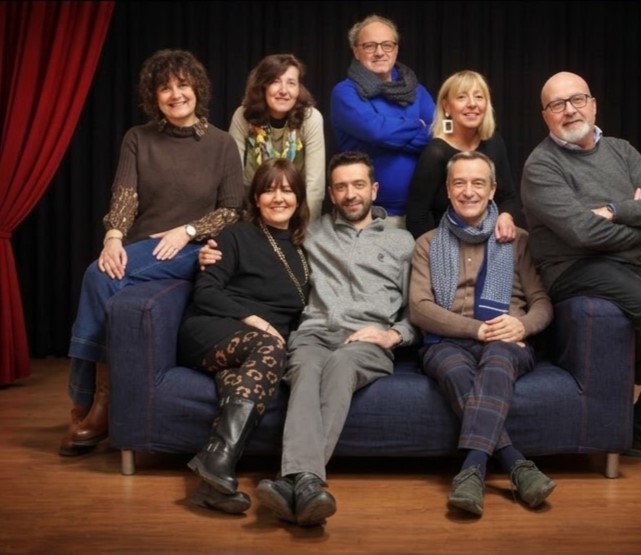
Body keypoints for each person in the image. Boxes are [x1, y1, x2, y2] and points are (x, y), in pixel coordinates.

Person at [59, 49, 245, 457]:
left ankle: (91, 401)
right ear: (154, 97)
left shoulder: (222, 144)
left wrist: (188, 230)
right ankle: (97, 401)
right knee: (102, 275)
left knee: (97, 276)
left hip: (193, 248)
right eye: (165, 88)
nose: (176, 94)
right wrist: (113, 237)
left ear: (197, 89)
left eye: (183, 85)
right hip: (144, 246)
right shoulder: (138, 138)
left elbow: (233, 209)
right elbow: (125, 196)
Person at [520, 71, 641, 463]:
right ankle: (639, 370)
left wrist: (613, 210)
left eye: (577, 99)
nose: (569, 110)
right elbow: (581, 233)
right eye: (557, 104)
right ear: (546, 116)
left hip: (627, 265)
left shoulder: (622, 151)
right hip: (571, 269)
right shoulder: (541, 165)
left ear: (593, 104)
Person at [252, 151, 418, 526]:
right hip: (313, 333)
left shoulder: (402, 242)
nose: (350, 194)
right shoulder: (310, 232)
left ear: (374, 189)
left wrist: (394, 334)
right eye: (341, 187)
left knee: (341, 362)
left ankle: (292, 480)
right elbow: (260, 235)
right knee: (306, 369)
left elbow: (418, 309)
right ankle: (308, 487)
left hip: (367, 341)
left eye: (358, 185)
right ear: (331, 193)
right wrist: (212, 250)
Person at [409, 151, 555, 516]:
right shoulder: (427, 243)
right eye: (459, 183)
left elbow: (542, 302)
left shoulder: (516, 239)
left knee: (498, 358)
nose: (468, 191)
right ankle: (516, 463)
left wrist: (522, 325)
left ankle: (472, 469)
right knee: (454, 369)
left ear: (492, 190)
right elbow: (420, 308)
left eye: (478, 183)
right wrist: (477, 330)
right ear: (447, 189)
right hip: (446, 342)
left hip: (508, 339)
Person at [178, 158, 310, 515]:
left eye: (287, 190)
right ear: (255, 199)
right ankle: (216, 462)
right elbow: (206, 291)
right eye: (269, 190)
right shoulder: (235, 236)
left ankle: (214, 483)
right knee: (269, 346)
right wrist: (257, 322)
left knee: (241, 380)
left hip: (257, 350)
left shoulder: (303, 250)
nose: (278, 198)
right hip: (211, 329)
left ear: (299, 198)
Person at [330, 14, 435, 228]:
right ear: (356, 52)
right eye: (370, 46)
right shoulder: (345, 92)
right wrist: (417, 124)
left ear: (395, 49)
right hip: (368, 216)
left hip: (420, 214)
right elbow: (377, 131)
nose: (379, 52)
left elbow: (437, 135)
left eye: (387, 45)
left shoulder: (417, 91)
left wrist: (388, 132)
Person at [406, 70, 524, 240]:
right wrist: (437, 250)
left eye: (479, 97)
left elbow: (508, 198)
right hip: (446, 243)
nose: (472, 104)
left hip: (491, 240)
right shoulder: (435, 153)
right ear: (446, 107)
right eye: (462, 97)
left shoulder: (494, 142)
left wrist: (506, 216)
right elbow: (417, 218)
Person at [228, 53, 326, 220]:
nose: (283, 91)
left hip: (295, 209)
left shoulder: (310, 118)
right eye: (275, 82)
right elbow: (233, 177)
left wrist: (306, 228)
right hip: (252, 208)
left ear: (299, 89)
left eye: (291, 83)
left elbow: (315, 185)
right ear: (262, 86)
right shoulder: (243, 115)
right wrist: (243, 223)